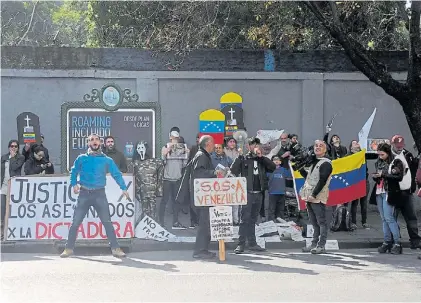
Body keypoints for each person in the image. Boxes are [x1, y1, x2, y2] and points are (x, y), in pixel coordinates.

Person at [60, 134, 129, 258]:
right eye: (92, 140)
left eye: (96, 140)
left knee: (107, 222)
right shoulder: (81, 158)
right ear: (88, 144)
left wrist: (123, 188)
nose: (94, 142)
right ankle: (68, 248)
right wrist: (74, 184)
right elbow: (74, 171)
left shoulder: (107, 160)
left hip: (99, 194)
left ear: (100, 143)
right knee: (75, 222)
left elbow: (116, 174)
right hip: (84, 194)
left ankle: (115, 249)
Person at [230, 137, 276, 254]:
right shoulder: (244, 158)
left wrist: (261, 157)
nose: (255, 147)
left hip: (259, 193)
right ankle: (241, 244)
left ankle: (252, 243)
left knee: (253, 219)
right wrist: (239, 157)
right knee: (244, 219)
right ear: (248, 147)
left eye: (257, 145)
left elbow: (273, 167)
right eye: (252, 145)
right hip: (247, 193)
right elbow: (233, 171)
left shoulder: (262, 159)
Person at [299, 140, 333, 254]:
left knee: (321, 222)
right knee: (314, 222)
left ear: (325, 149)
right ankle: (314, 244)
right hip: (309, 196)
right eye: (316, 145)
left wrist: (314, 195)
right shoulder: (315, 162)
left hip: (317, 196)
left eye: (320, 146)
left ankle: (321, 245)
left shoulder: (326, 163)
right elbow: (309, 178)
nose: (317, 147)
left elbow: (322, 180)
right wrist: (300, 169)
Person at [192, 135, 221, 259]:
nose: (214, 146)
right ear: (208, 144)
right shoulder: (201, 156)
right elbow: (199, 174)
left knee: (206, 224)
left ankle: (203, 249)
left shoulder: (203, 155)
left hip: (205, 196)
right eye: (213, 143)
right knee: (204, 224)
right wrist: (213, 172)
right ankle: (200, 251)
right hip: (203, 197)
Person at [390, 135, 421, 249]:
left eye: (401, 146)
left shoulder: (408, 155)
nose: (399, 148)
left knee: (411, 217)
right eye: (397, 145)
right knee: (392, 218)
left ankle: (415, 241)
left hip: (407, 192)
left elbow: (414, 169)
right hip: (394, 192)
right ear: (392, 144)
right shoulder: (388, 155)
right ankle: (394, 241)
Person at [372, 143, 404, 254]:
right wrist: (375, 176)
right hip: (379, 191)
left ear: (388, 152)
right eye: (379, 154)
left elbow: (399, 177)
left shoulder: (396, 161)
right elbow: (379, 176)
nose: (380, 156)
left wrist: (383, 175)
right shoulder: (378, 162)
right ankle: (387, 242)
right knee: (384, 218)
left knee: (389, 217)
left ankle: (397, 243)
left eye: (382, 154)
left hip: (389, 192)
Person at [159, 130, 189, 229]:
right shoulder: (165, 147)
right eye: (173, 137)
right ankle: (160, 222)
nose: (175, 139)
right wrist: (165, 152)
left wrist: (186, 155)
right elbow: (162, 161)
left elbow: (184, 164)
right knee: (164, 200)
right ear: (170, 137)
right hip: (167, 178)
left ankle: (175, 222)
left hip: (177, 178)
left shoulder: (182, 148)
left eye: (176, 138)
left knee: (177, 201)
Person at [1, 140, 25, 240]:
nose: (13, 148)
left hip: (14, 185)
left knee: (12, 209)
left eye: (15, 146)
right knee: (2, 208)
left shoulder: (20, 157)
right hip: (4, 185)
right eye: (12, 146)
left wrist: (13, 157)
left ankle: (12, 231)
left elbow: (15, 167)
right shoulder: (4, 157)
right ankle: (2, 232)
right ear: (9, 147)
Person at [347, 140, 369, 229]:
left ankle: (364, 222)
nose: (357, 144)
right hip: (354, 183)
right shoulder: (348, 157)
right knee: (355, 203)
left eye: (357, 143)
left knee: (364, 203)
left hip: (364, 182)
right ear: (351, 148)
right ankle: (353, 222)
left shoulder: (362, 155)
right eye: (354, 143)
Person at [267, 155, 287, 222]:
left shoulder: (284, 170)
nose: (276, 161)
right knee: (271, 210)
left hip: (282, 193)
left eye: (278, 159)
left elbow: (291, 176)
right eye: (274, 159)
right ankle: (271, 225)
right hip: (272, 193)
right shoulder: (269, 170)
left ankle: (280, 224)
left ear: (280, 162)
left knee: (281, 210)